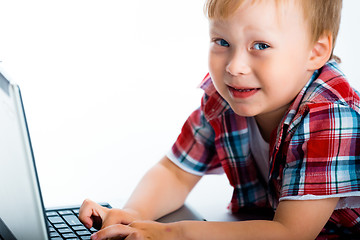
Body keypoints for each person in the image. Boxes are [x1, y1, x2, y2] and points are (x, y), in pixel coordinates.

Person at [79, 0, 360, 239]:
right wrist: (132, 215)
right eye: (222, 42)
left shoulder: (330, 114)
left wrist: (172, 233)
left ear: (315, 51)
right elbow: (175, 172)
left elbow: (290, 233)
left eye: (260, 45)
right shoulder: (227, 98)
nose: (234, 67)